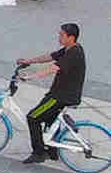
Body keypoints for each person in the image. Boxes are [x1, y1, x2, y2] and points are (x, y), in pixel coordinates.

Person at [15, 21, 87, 163]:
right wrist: (28, 61)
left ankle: (39, 153)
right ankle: (52, 151)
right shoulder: (69, 49)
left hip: (60, 97)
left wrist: (29, 77)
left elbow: (53, 69)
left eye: (62, 35)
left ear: (71, 37)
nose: (59, 37)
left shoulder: (74, 53)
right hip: (62, 94)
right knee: (50, 120)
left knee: (33, 117)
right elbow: (49, 57)